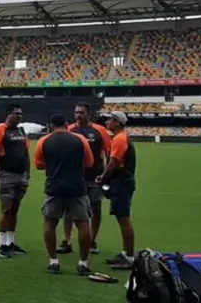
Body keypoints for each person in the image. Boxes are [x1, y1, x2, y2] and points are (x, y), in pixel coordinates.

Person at [34, 114, 96, 275]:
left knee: (50, 222)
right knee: (83, 223)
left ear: (51, 125)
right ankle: (83, 263)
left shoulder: (43, 141)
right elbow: (89, 163)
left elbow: (39, 165)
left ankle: (53, 261)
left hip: (54, 187)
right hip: (77, 186)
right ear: (67, 124)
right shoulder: (80, 139)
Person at [58, 103, 111, 255]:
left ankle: (92, 240)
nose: (78, 115)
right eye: (76, 113)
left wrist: (106, 174)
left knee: (96, 207)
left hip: (95, 177)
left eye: (81, 113)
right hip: (73, 177)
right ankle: (66, 240)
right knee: (68, 209)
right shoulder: (69, 130)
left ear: (89, 114)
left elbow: (109, 152)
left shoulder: (100, 130)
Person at [0, 104, 29, 258]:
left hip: (21, 175)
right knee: (6, 209)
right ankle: (2, 245)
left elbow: (25, 153)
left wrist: (27, 173)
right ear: (8, 114)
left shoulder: (21, 131)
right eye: (16, 114)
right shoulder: (0, 129)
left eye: (20, 114)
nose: (19, 116)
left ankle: (11, 242)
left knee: (15, 209)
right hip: (7, 175)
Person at [97, 111, 137, 270]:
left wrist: (102, 178)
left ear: (117, 122)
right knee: (122, 218)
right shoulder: (121, 137)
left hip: (121, 183)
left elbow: (113, 163)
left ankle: (129, 257)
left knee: (124, 219)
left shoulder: (120, 139)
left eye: (110, 120)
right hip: (122, 182)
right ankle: (126, 253)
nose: (107, 122)